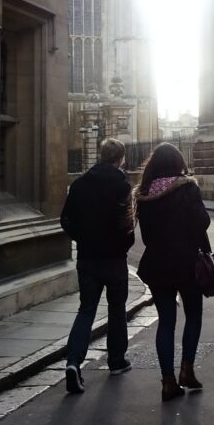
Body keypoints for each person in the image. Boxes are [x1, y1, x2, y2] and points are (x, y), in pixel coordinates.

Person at [135, 142, 211, 402]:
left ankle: (167, 381)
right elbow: (203, 222)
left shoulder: (144, 194)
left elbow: (145, 236)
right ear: (179, 162)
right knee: (194, 315)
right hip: (187, 262)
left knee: (166, 321)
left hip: (157, 263)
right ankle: (187, 369)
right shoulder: (187, 187)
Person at [60, 137, 135, 395]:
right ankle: (116, 361)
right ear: (120, 159)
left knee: (86, 310)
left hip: (88, 258)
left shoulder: (80, 184)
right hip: (114, 259)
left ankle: (73, 362)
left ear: (101, 156)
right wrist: (125, 243)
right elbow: (128, 224)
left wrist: (82, 238)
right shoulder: (122, 186)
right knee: (117, 310)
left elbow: (66, 219)